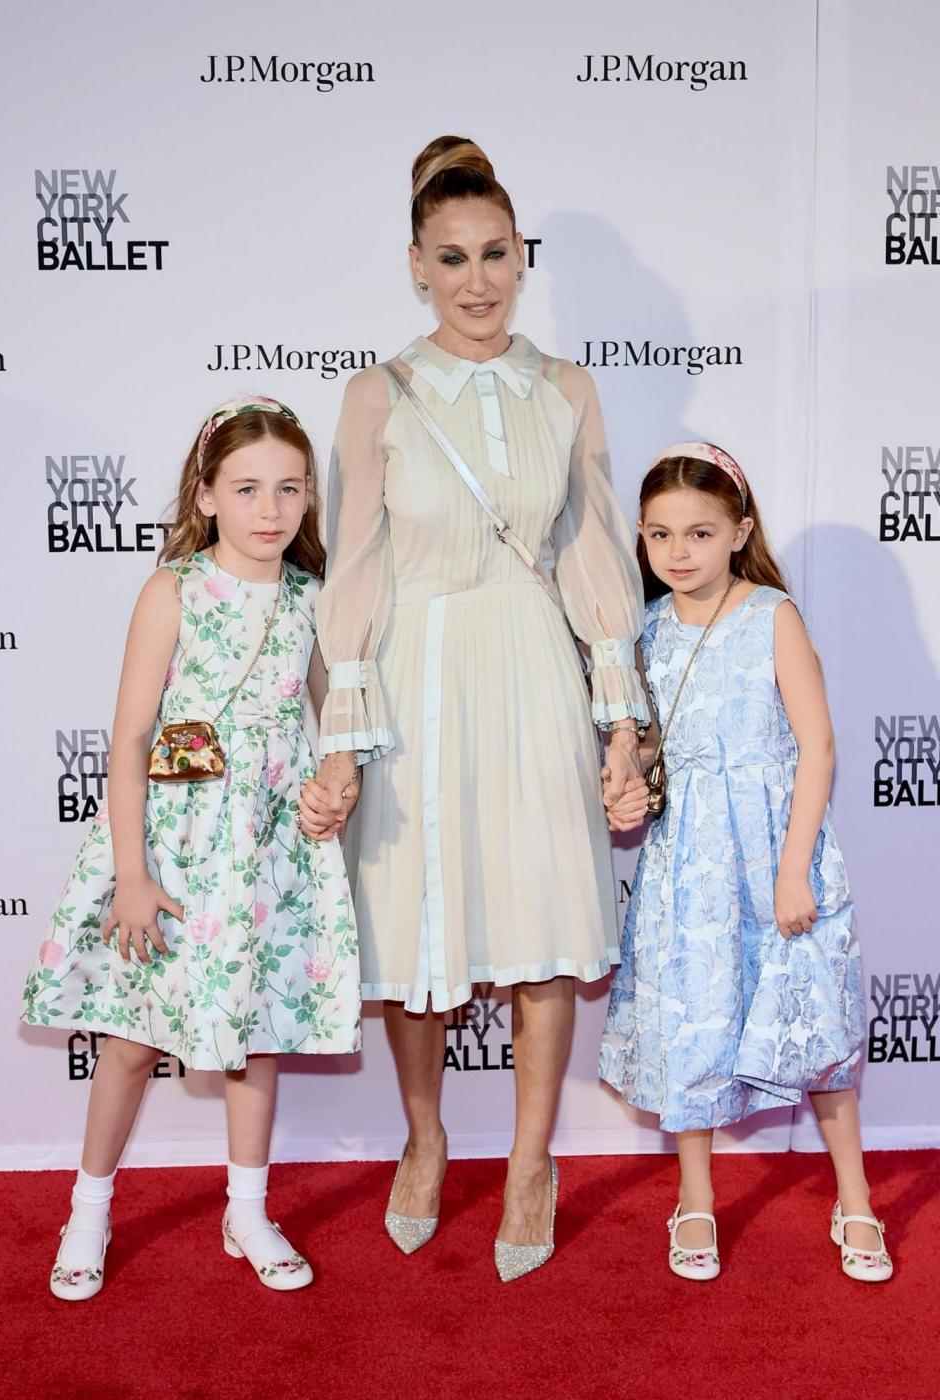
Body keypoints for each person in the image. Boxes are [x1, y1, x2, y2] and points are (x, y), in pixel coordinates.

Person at [298, 136, 647, 1282]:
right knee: (416, 933)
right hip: (415, 673)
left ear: (520, 256)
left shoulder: (568, 390)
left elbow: (597, 556)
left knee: (545, 924)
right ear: (416, 264)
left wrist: (621, 720)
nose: (480, 280)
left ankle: (533, 1161)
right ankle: (426, 1137)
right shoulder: (378, 394)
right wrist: (344, 733)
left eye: (498, 253)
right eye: (453, 258)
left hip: (532, 668)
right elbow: (354, 564)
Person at [22, 396, 361, 1300]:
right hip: (174, 846)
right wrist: (132, 875)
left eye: (290, 489)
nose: (270, 509)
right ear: (206, 494)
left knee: (252, 1034)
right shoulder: (172, 590)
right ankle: (88, 1210)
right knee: (132, 1036)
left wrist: (337, 782)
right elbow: (131, 738)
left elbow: (337, 716)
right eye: (247, 489)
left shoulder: (311, 598)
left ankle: (246, 1209)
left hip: (266, 849)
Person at [600, 442, 891, 1284]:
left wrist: (794, 867)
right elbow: (644, 749)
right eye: (659, 535)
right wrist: (624, 783)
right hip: (688, 866)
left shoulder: (772, 615)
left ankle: (856, 1196)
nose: (678, 552)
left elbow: (819, 745)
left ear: (741, 531)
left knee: (822, 1034)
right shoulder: (643, 631)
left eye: (699, 531)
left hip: (777, 850)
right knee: (693, 1024)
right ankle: (695, 1196)